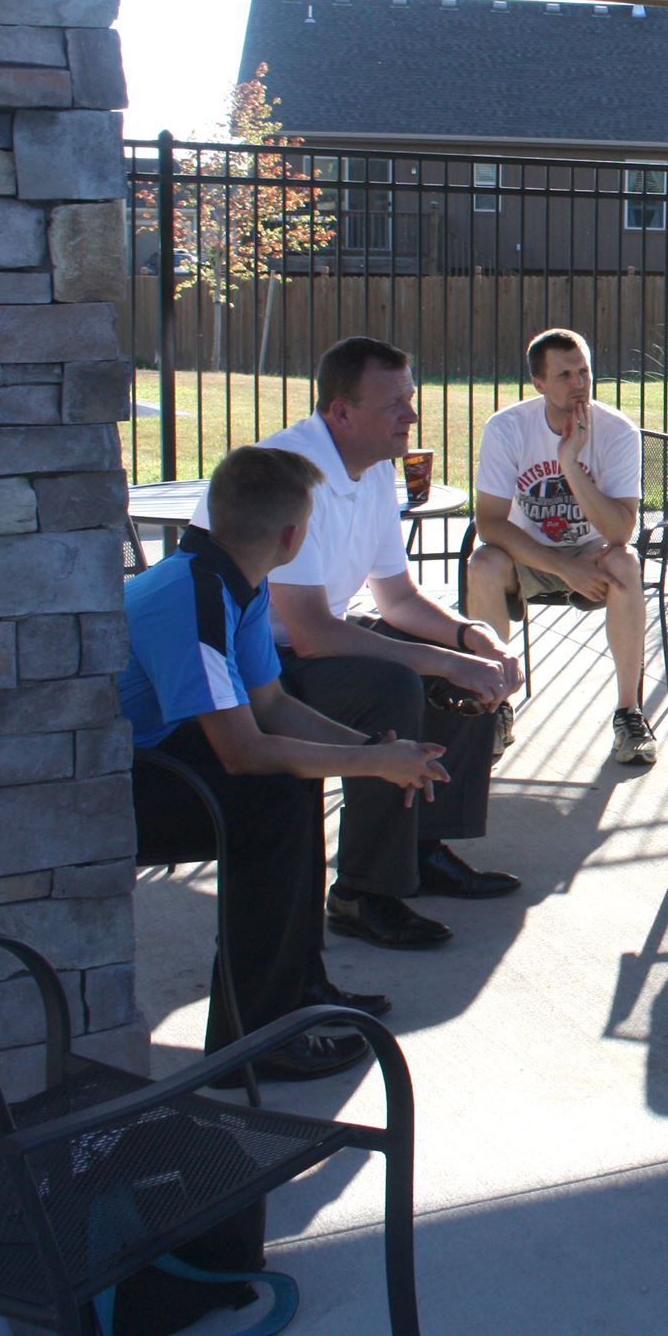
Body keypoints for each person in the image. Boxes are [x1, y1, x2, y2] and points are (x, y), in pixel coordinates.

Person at [123, 447, 451, 1080]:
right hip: (111, 789)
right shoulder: (192, 596)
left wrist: (371, 754)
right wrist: (375, 764)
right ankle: (253, 1039)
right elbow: (242, 751)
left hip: (155, 756)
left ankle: (298, 989)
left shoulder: (226, 578)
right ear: (293, 537)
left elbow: (270, 706)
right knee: (269, 801)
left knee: (291, 785)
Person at [196, 336, 524, 953]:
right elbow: (312, 632)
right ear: (341, 412)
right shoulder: (291, 472)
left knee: (460, 670)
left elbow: (396, 597)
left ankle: (420, 849)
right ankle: (363, 892)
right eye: (395, 403)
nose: (413, 415)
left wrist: (468, 636)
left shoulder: (373, 469)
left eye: (412, 398)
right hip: (259, 664)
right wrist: (447, 660)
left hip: (307, 641)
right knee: (392, 686)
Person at [465, 327, 656, 767]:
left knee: (626, 563)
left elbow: (621, 530)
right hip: (526, 554)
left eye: (584, 372)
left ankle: (629, 714)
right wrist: (562, 570)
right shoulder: (508, 428)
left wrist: (571, 463)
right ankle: (495, 705)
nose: (578, 384)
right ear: (539, 382)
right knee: (482, 564)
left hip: (594, 554)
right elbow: (490, 522)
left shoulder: (617, 431)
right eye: (565, 375)